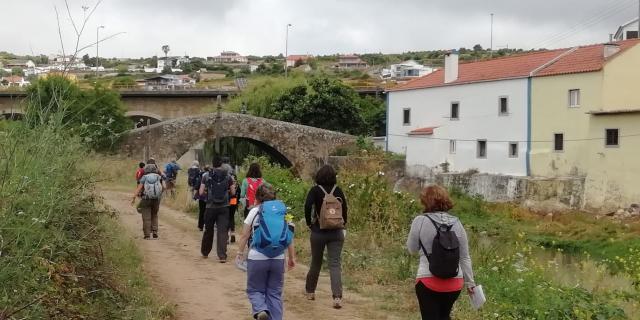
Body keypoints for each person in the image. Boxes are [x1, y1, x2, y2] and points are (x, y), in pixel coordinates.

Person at [406, 185, 476, 320]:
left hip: (427, 281)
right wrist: (470, 283)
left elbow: (412, 249)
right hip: (454, 284)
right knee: (444, 316)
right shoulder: (457, 223)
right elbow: (465, 257)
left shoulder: (420, 221)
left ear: (425, 201)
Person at [236, 184, 296, 320]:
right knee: (274, 293)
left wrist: (240, 254)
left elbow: (245, 235)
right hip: (278, 258)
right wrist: (291, 258)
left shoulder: (255, 211)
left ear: (258, 197)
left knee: (255, 289)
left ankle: (260, 309)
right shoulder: (283, 212)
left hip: (257, 257)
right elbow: (290, 236)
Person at [304, 164, 348, 309]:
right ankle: (337, 297)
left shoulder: (315, 190)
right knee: (335, 264)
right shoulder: (338, 191)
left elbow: (307, 205)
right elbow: (345, 209)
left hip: (318, 231)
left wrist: (309, 223)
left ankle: (310, 292)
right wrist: (343, 224)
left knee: (316, 262)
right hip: (336, 232)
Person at [200, 157, 236, 262]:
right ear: (221, 164)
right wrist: (226, 191)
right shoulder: (228, 176)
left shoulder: (206, 175)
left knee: (208, 230)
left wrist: (208, 193)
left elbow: (201, 192)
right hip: (224, 207)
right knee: (222, 231)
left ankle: (205, 252)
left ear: (213, 164)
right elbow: (233, 192)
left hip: (210, 207)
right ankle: (222, 256)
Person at [131, 164, 164, 240]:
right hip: (156, 199)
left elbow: (139, 188)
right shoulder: (158, 177)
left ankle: (147, 235)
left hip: (146, 199)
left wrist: (133, 198)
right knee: (154, 215)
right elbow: (163, 187)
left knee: (146, 217)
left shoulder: (144, 177)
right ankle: (155, 232)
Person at [195, 165, 209, 231]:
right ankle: (207, 225)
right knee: (208, 211)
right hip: (209, 196)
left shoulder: (202, 176)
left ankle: (200, 226)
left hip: (202, 196)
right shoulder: (211, 176)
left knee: (201, 211)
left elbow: (197, 186)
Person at [228, 171, 241, 243]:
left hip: (227, 201)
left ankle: (226, 236)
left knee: (226, 217)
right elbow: (239, 194)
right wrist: (237, 203)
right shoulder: (237, 184)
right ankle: (232, 233)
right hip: (234, 201)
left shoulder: (228, 182)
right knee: (231, 217)